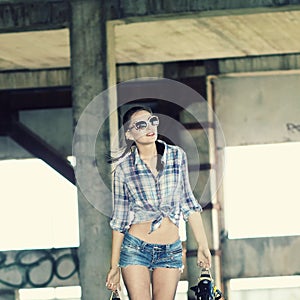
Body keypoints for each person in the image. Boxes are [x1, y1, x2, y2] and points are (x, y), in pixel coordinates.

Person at [106, 105, 211, 300]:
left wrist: (203, 245)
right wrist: (114, 267)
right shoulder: (123, 170)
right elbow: (119, 221)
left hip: (170, 248)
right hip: (136, 248)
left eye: (152, 121)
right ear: (129, 134)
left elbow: (188, 203)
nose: (149, 127)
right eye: (140, 124)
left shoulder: (176, 156)